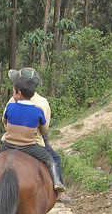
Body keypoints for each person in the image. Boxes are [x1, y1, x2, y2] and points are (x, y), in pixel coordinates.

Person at [5, 67, 71, 203]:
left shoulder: (12, 101)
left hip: (10, 141)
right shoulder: (42, 103)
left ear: (19, 90)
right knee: (54, 159)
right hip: (33, 142)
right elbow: (44, 129)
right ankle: (58, 189)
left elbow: (4, 121)